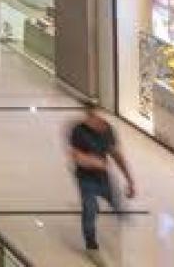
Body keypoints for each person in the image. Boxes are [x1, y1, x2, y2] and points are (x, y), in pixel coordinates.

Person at [67, 105, 135, 252]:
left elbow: (116, 155)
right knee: (89, 210)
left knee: (117, 203)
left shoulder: (107, 130)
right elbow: (76, 156)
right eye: (92, 116)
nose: (97, 120)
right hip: (86, 178)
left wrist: (129, 180)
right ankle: (91, 244)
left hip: (104, 177)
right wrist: (94, 162)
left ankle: (119, 221)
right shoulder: (78, 131)